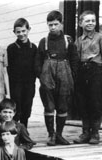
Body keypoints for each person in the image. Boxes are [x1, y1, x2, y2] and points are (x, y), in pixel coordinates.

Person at [38, 10, 79, 146]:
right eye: (50, 25)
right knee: (49, 106)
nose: (53, 27)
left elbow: (74, 59)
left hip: (64, 74)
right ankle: (51, 135)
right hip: (47, 74)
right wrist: (42, 76)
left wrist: (72, 75)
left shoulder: (68, 40)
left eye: (55, 24)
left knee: (62, 106)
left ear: (61, 24)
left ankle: (59, 135)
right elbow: (37, 62)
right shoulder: (44, 41)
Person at [74, 10, 102, 145]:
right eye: (87, 20)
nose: (91, 23)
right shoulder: (78, 41)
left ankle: (95, 132)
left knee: (95, 102)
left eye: (93, 20)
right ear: (80, 23)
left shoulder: (99, 37)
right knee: (82, 102)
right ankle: (85, 132)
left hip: (96, 71)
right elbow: (75, 58)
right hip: (81, 71)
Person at [7, 18, 40, 127]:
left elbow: (36, 66)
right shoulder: (11, 48)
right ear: (14, 32)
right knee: (17, 108)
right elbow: (8, 68)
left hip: (29, 84)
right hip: (15, 84)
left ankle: (24, 132)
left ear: (28, 30)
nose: (21, 34)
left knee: (27, 108)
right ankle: (15, 132)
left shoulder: (33, 48)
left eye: (23, 31)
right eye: (18, 32)